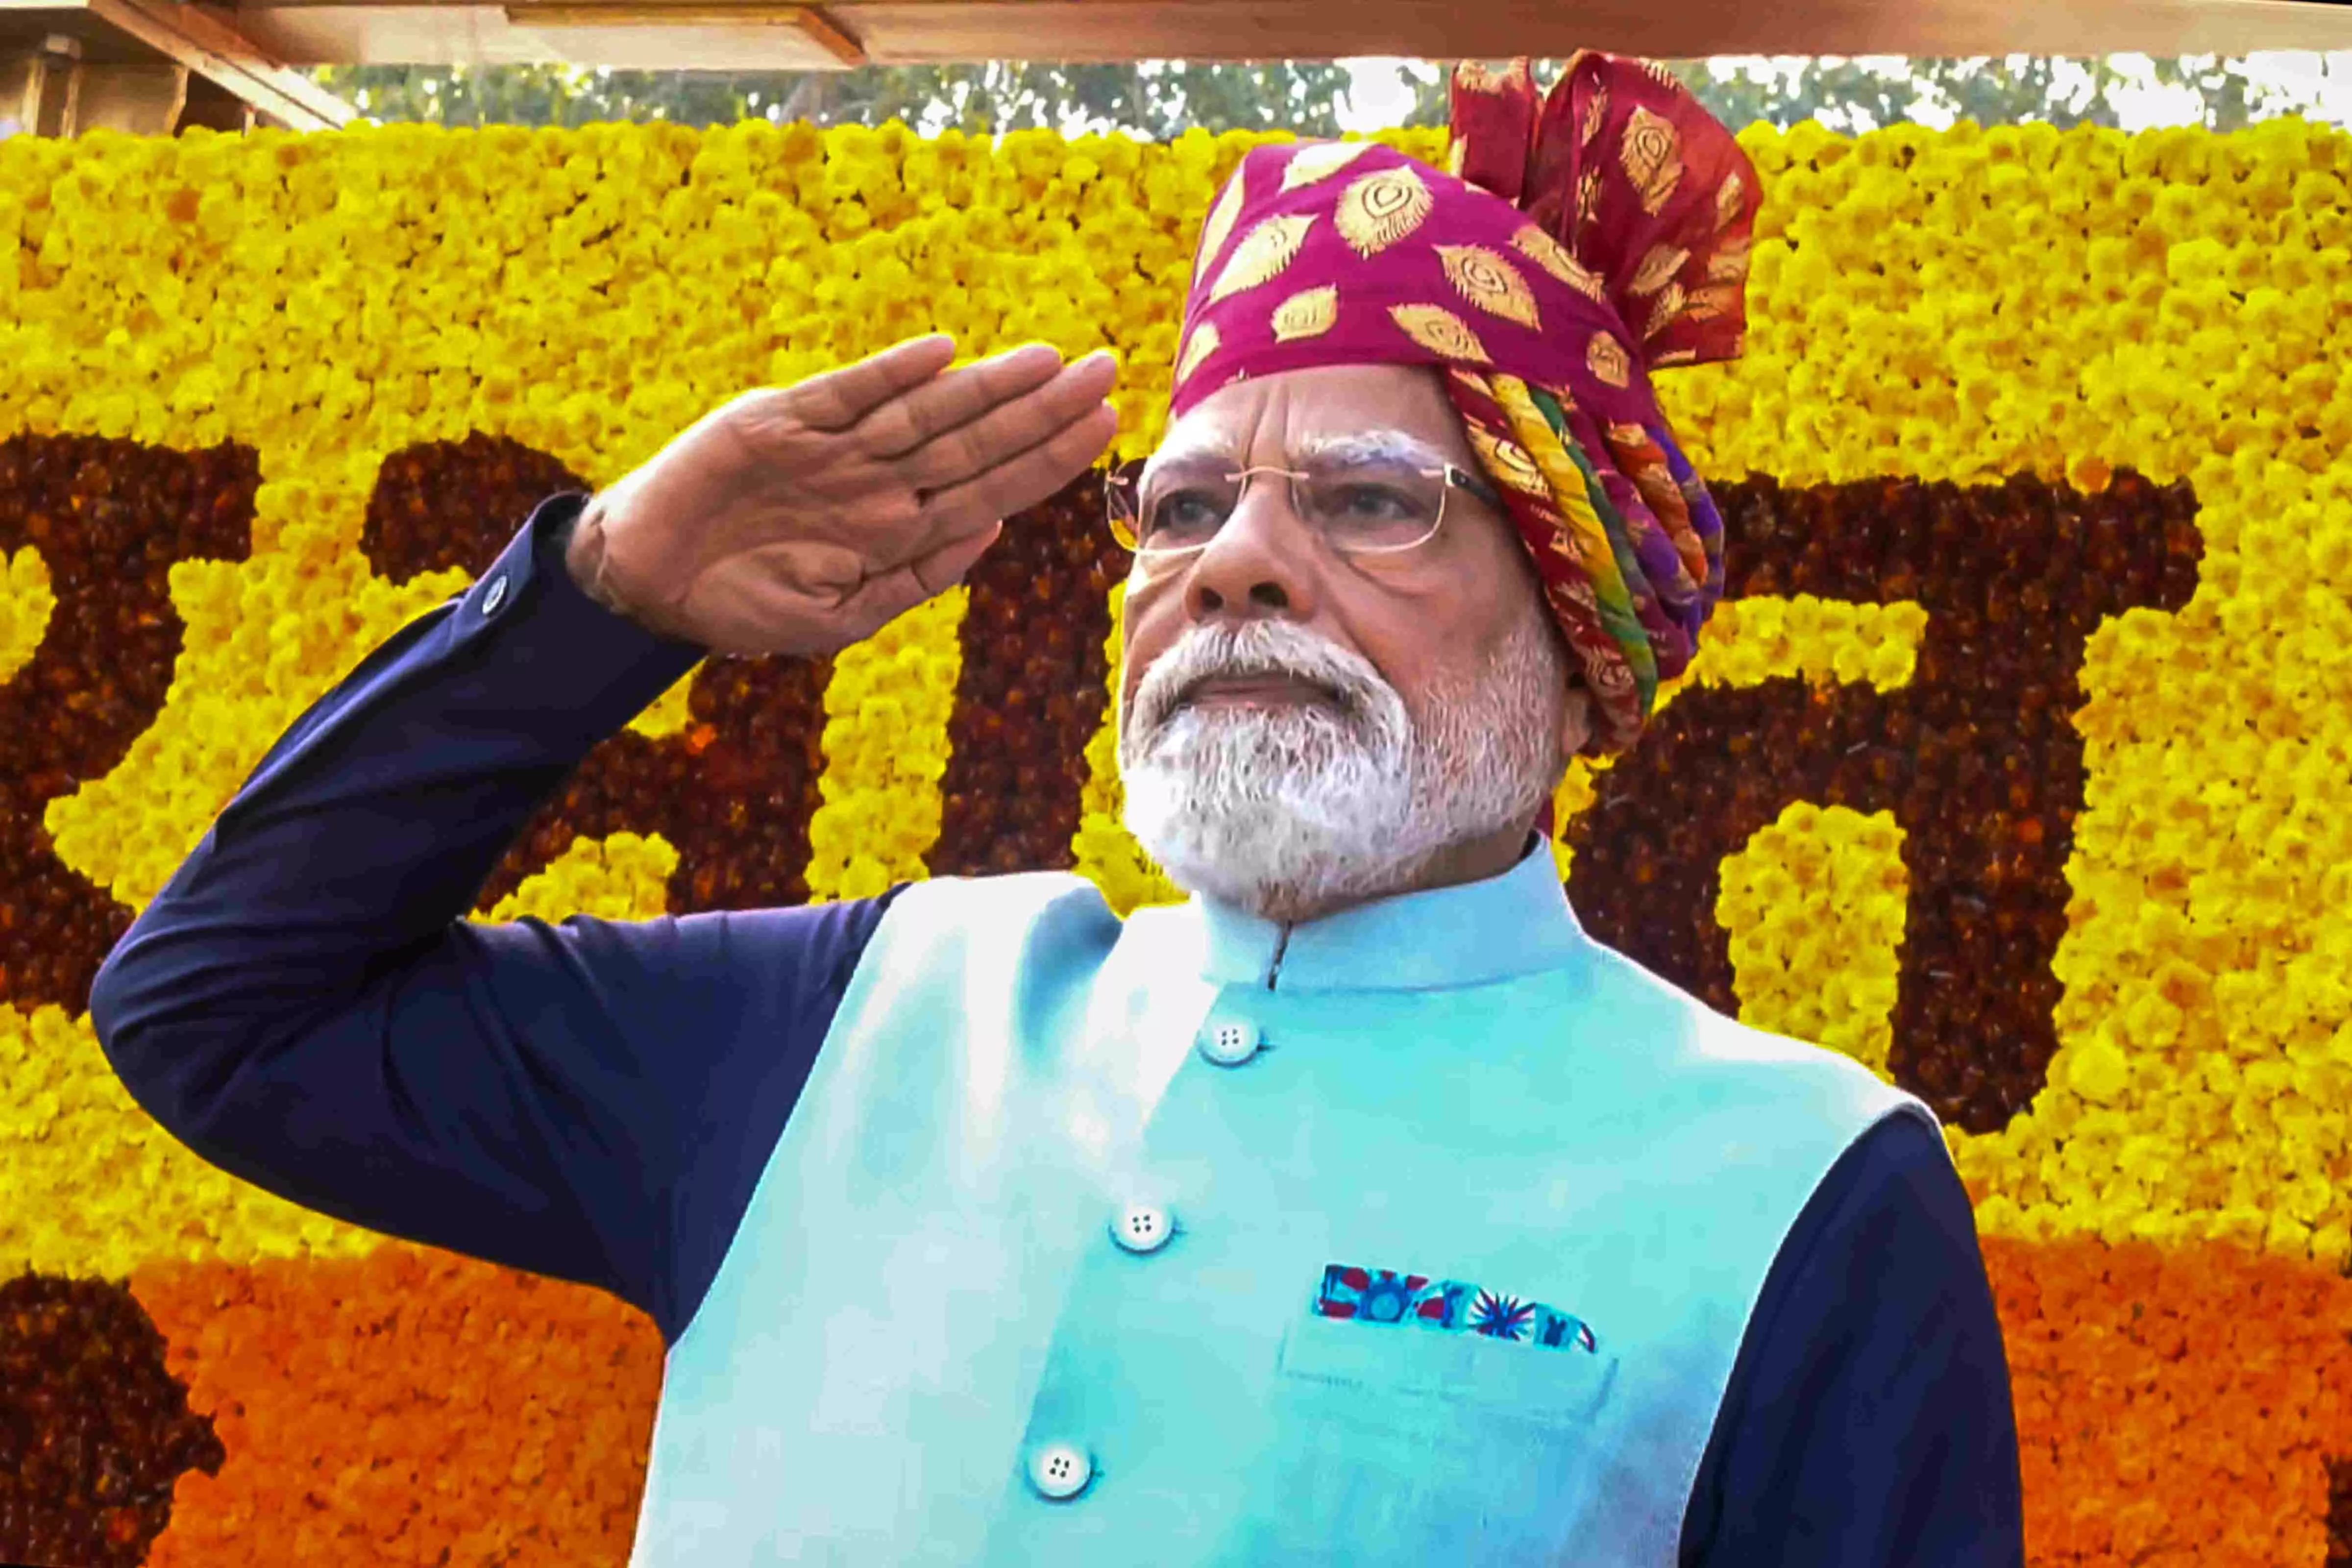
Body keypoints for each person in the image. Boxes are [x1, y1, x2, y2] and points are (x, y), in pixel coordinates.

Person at [90, 52, 2024, 1568]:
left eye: (1365, 501)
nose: (1236, 563)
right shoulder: (855, 1020)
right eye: (1184, 506)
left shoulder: (1799, 1189)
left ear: (1581, 631)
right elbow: (218, 1010)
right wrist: (597, 595)